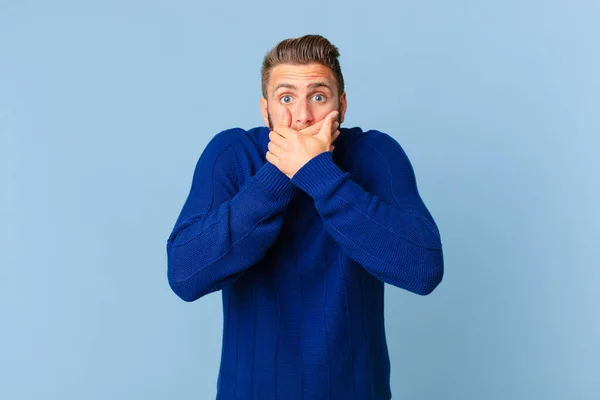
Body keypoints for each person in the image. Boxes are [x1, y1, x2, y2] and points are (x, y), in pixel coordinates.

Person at [166, 34, 444, 400]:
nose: (302, 116)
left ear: (341, 105)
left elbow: (422, 269)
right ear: (264, 109)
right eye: (286, 98)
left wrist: (317, 171)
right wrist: (280, 172)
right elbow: (186, 275)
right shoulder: (231, 154)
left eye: (318, 96)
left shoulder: (375, 154)